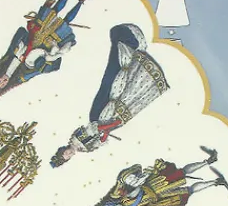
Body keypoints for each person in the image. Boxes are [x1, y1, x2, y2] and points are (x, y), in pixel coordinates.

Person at [50, 23, 169, 167]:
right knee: (127, 97)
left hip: (99, 115)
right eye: (68, 157)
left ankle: (126, 44)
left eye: (65, 153)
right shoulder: (85, 150)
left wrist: (110, 126)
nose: (69, 154)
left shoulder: (76, 138)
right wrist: (108, 131)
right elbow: (101, 141)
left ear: (63, 149)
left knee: (111, 82)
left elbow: (95, 129)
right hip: (110, 123)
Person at [0, 0, 92, 97]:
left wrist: (18, 49)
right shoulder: (20, 78)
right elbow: (37, 70)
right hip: (43, 46)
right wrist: (37, 59)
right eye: (3, 84)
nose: (3, 81)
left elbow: (13, 45)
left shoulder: (3, 62)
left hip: (33, 37)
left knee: (53, 12)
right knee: (64, 22)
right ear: (6, 86)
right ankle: (82, 1)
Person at [86, 148, 228, 206]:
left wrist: (130, 179)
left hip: (154, 183)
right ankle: (216, 182)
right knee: (188, 191)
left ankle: (208, 161)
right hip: (158, 198)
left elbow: (121, 181)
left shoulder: (113, 197)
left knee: (182, 172)